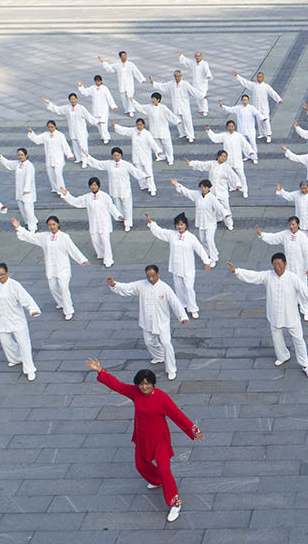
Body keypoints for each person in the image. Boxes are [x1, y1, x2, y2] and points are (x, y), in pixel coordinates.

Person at [85, 357, 202, 522]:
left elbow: (177, 415)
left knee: (165, 470)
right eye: (141, 384)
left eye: (147, 383)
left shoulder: (162, 398)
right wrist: (100, 371)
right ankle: (157, 480)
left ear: (153, 383)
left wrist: (193, 429)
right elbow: (118, 386)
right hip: (142, 438)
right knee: (140, 465)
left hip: (159, 440)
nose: (144, 387)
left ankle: (175, 503)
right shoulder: (135, 393)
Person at [229, 255, 308, 379]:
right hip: (274, 316)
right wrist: (237, 271)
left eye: (280, 264)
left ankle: (305, 365)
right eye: (275, 265)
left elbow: (306, 291)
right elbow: (254, 276)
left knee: (299, 341)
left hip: (291, 317)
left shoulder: (293, 278)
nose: (277, 267)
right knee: (277, 339)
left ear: (285, 263)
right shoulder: (268, 276)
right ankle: (283, 356)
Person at [107, 265, 190, 381]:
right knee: (149, 342)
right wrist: (114, 285)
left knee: (166, 343)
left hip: (162, 322)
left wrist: (182, 317)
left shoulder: (165, 288)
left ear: (158, 274)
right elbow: (127, 288)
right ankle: (159, 356)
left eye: (153, 276)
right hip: (147, 321)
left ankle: (171, 369)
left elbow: (175, 303)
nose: (150, 278)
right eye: (148, 276)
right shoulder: (141, 285)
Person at [13, 215, 89, 320]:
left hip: (63, 268)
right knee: (53, 288)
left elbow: (73, 249)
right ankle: (61, 303)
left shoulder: (64, 237)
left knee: (63, 288)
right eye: (50, 225)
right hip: (50, 267)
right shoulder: (44, 236)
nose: (52, 227)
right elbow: (31, 237)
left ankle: (68, 310)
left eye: (54, 224)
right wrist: (19, 227)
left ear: (58, 224)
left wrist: (82, 259)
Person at [146, 212, 214, 318]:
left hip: (188, 267)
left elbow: (199, 249)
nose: (179, 227)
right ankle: (182, 304)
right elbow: (160, 232)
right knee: (179, 287)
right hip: (176, 266)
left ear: (185, 225)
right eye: (177, 225)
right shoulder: (172, 235)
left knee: (189, 288)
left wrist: (206, 261)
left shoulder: (191, 237)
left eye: (182, 224)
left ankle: (193, 308)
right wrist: (151, 223)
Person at [255, 217, 308, 320]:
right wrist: (262, 235)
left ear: (298, 225)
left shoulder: (302, 237)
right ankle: (293, 304)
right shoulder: (285, 234)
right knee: (289, 287)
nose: (291, 227)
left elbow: (307, 253)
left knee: (302, 288)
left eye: (293, 224)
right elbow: (274, 238)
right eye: (290, 225)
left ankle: (306, 310)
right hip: (288, 267)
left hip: (300, 268)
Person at [60, 178, 124, 268]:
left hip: (104, 222)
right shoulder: (87, 197)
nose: (93, 187)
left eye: (95, 185)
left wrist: (118, 215)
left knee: (105, 241)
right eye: (91, 185)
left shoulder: (105, 196)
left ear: (98, 185)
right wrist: (67, 195)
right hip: (94, 223)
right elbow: (76, 201)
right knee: (96, 240)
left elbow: (111, 207)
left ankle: (108, 259)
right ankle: (101, 254)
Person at [84, 146, 150, 231]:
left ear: (121, 155)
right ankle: (121, 218)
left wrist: (144, 176)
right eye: (114, 155)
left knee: (127, 207)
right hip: (114, 189)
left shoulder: (125, 164)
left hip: (125, 189)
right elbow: (98, 164)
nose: (116, 157)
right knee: (118, 205)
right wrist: (88, 156)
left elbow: (134, 171)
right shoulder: (109, 163)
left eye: (118, 155)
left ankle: (128, 223)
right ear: (112, 155)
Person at [171, 177, 227, 262]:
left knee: (209, 239)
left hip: (210, 223)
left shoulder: (212, 198)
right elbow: (187, 192)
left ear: (209, 188)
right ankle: (210, 252)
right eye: (202, 187)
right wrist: (177, 184)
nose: (203, 189)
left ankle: (214, 258)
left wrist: (225, 214)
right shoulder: (197, 195)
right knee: (203, 240)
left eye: (205, 187)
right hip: (201, 222)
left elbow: (219, 207)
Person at [276, 180, 308, 263]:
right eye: (302, 188)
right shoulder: (297, 194)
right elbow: (288, 196)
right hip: (302, 224)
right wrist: (281, 190)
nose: (304, 190)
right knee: (304, 241)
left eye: (305, 188)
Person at [187, 150, 242, 227]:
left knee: (225, 207)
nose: (223, 158)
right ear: (218, 156)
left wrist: (238, 184)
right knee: (213, 206)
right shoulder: (212, 164)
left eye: (225, 157)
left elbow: (233, 176)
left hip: (222, 191)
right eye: (222, 156)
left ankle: (229, 223)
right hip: (212, 191)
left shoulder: (227, 167)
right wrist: (191, 163)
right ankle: (217, 219)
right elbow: (202, 165)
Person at [110, 119, 164, 193]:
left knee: (148, 172)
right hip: (136, 156)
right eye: (137, 125)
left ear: (143, 125)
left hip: (145, 156)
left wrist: (158, 151)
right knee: (139, 172)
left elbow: (152, 143)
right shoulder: (134, 131)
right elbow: (125, 130)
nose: (139, 126)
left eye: (140, 125)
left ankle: (152, 188)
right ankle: (143, 185)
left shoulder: (147, 133)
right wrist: (115, 126)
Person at [44, 93, 97, 165]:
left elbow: (89, 116)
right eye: (71, 99)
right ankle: (78, 158)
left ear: (76, 99)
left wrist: (96, 122)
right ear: (69, 100)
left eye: (74, 99)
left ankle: (85, 160)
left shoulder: (81, 108)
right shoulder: (67, 108)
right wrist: (49, 103)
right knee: (75, 145)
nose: (73, 100)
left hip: (81, 131)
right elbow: (58, 110)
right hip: (72, 131)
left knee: (83, 146)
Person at [232, 70, 283, 143]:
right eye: (258, 77)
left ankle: (268, 135)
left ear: (263, 78)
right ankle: (262, 133)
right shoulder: (254, 85)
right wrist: (237, 76)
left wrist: (279, 100)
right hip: (256, 107)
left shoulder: (266, 86)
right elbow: (245, 83)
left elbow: (272, 93)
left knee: (266, 121)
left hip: (264, 107)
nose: (259, 78)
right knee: (259, 121)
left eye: (260, 77)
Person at [205, 121, 255, 194]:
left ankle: (245, 190)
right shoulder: (224, 135)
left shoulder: (239, 136)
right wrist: (209, 130)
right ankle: (233, 186)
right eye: (229, 126)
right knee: (228, 174)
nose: (231, 128)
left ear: (234, 127)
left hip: (237, 159)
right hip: (227, 160)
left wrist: (250, 151)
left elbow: (245, 144)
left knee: (241, 174)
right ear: (227, 127)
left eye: (232, 126)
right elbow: (215, 138)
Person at [27, 121, 76, 194]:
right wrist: (31, 132)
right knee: (50, 174)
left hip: (58, 158)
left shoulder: (60, 135)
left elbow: (65, 145)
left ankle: (62, 189)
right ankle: (55, 188)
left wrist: (69, 154)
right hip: (49, 158)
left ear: (55, 126)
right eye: (49, 127)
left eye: (52, 127)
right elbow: (37, 140)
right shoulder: (45, 135)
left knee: (58, 174)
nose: (50, 128)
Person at [151, 69, 200, 142]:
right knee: (178, 120)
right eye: (175, 77)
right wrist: (154, 83)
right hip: (176, 105)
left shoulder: (185, 84)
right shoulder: (171, 83)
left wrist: (201, 96)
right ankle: (182, 133)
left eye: (178, 76)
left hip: (184, 106)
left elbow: (193, 91)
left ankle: (190, 135)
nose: (177, 78)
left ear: (181, 76)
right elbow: (163, 86)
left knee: (187, 121)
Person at [0, 147, 38, 227]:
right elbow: (8, 163)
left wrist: (26, 189)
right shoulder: (18, 163)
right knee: (22, 208)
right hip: (19, 191)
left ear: (26, 155)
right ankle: (29, 221)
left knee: (28, 209)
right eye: (19, 155)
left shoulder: (29, 166)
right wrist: (0, 156)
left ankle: (33, 226)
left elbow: (29, 178)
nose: (20, 156)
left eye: (22, 155)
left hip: (27, 192)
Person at [132, 92, 179, 166]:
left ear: (158, 99)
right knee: (157, 144)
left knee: (167, 145)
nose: (152, 100)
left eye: (154, 99)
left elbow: (170, 115)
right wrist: (133, 102)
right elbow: (141, 108)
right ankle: (161, 156)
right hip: (154, 130)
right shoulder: (149, 107)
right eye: (152, 98)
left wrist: (177, 121)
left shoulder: (163, 107)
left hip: (163, 130)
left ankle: (170, 158)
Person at [75, 75, 118, 142]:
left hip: (104, 110)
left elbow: (109, 98)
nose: (97, 82)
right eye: (96, 81)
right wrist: (80, 86)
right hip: (96, 109)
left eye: (99, 81)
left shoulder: (105, 88)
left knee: (103, 124)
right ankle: (102, 135)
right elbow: (85, 92)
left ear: (101, 81)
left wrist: (113, 106)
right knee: (98, 124)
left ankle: (106, 137)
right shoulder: (93, 88)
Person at [176, 51, 215, 116]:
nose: (197, 57)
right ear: (195, 57)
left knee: (203, 97)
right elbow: (186, 61)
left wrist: (208, 75)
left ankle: (205, 110)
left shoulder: (204, 63)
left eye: (199, 56)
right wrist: (181, 56)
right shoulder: (193, 63)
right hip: (196, 83)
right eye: (196, 56)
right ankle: (200, 109)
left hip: (203, 84)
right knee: (197, 97)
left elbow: (207, 70)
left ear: (201, 56)